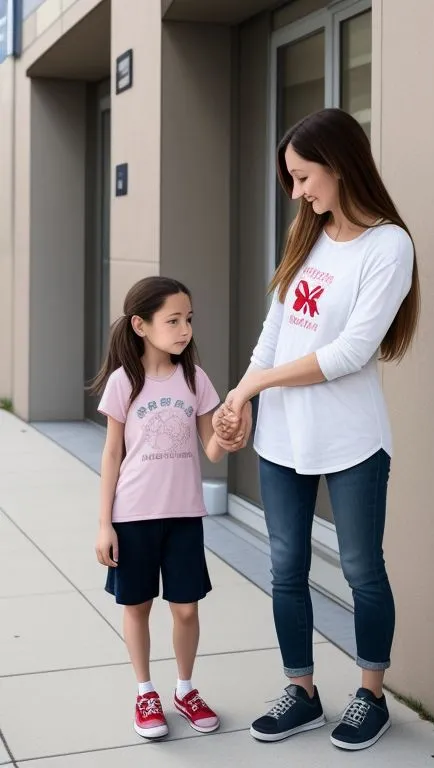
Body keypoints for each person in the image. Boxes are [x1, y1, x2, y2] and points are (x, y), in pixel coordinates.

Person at [214, 108, 419, 751]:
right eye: (292, 181)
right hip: (282, 438)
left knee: (361, 569)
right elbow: (276, 334)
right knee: (285, 568)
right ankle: (301, 691)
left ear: (339, 163)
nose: (298, 193)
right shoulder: (307, 236)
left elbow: (349, 354)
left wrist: (253, 388)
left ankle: (371, 695)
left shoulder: (389, 246)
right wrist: (240, 396)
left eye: (304, 177)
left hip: (353, 439)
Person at [91, 276, 250, 740]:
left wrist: (232, 428)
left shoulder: (195, 379)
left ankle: (185, 688)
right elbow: (112, 454)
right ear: (141, 325)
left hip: (184, 517)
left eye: (189, 320)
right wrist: (105, 524)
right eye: (173, 320)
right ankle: (145, 692)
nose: (184, 330)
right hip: (133, 515)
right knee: (137, 605)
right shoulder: (124, 382)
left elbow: (212, 450)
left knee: (185, 609)